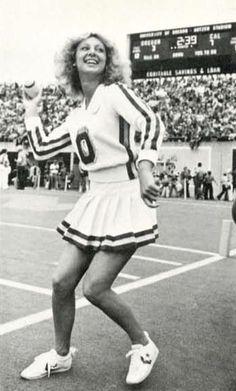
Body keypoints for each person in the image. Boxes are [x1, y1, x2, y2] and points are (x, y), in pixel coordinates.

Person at [20, 32, 165, 385]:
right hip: (95, 198)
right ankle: (61, 354)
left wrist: (145, 169)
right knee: (60, 282)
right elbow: (40, 150)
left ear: (108, 61)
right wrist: (32, 109)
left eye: (99, 49)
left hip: (127, 195)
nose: (92, 52)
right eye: (85, 48)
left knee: (95, 288)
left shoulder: (114, 93)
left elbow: (151, 122)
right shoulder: (75, 116)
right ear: (73, 61)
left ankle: (144, 345)